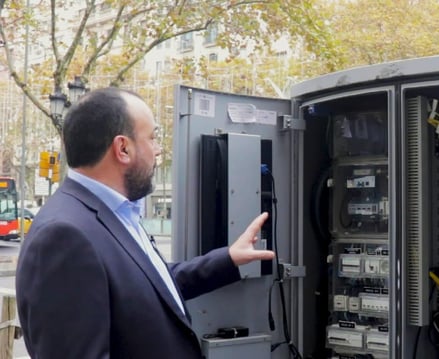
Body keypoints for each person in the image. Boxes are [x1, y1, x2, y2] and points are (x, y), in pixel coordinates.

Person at [15, 87, 275, 358]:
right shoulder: (64, 236)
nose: (158, 150)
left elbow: (149, 285)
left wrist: (229, 259)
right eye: (152, 138)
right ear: (123, 148)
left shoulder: (112, 211)